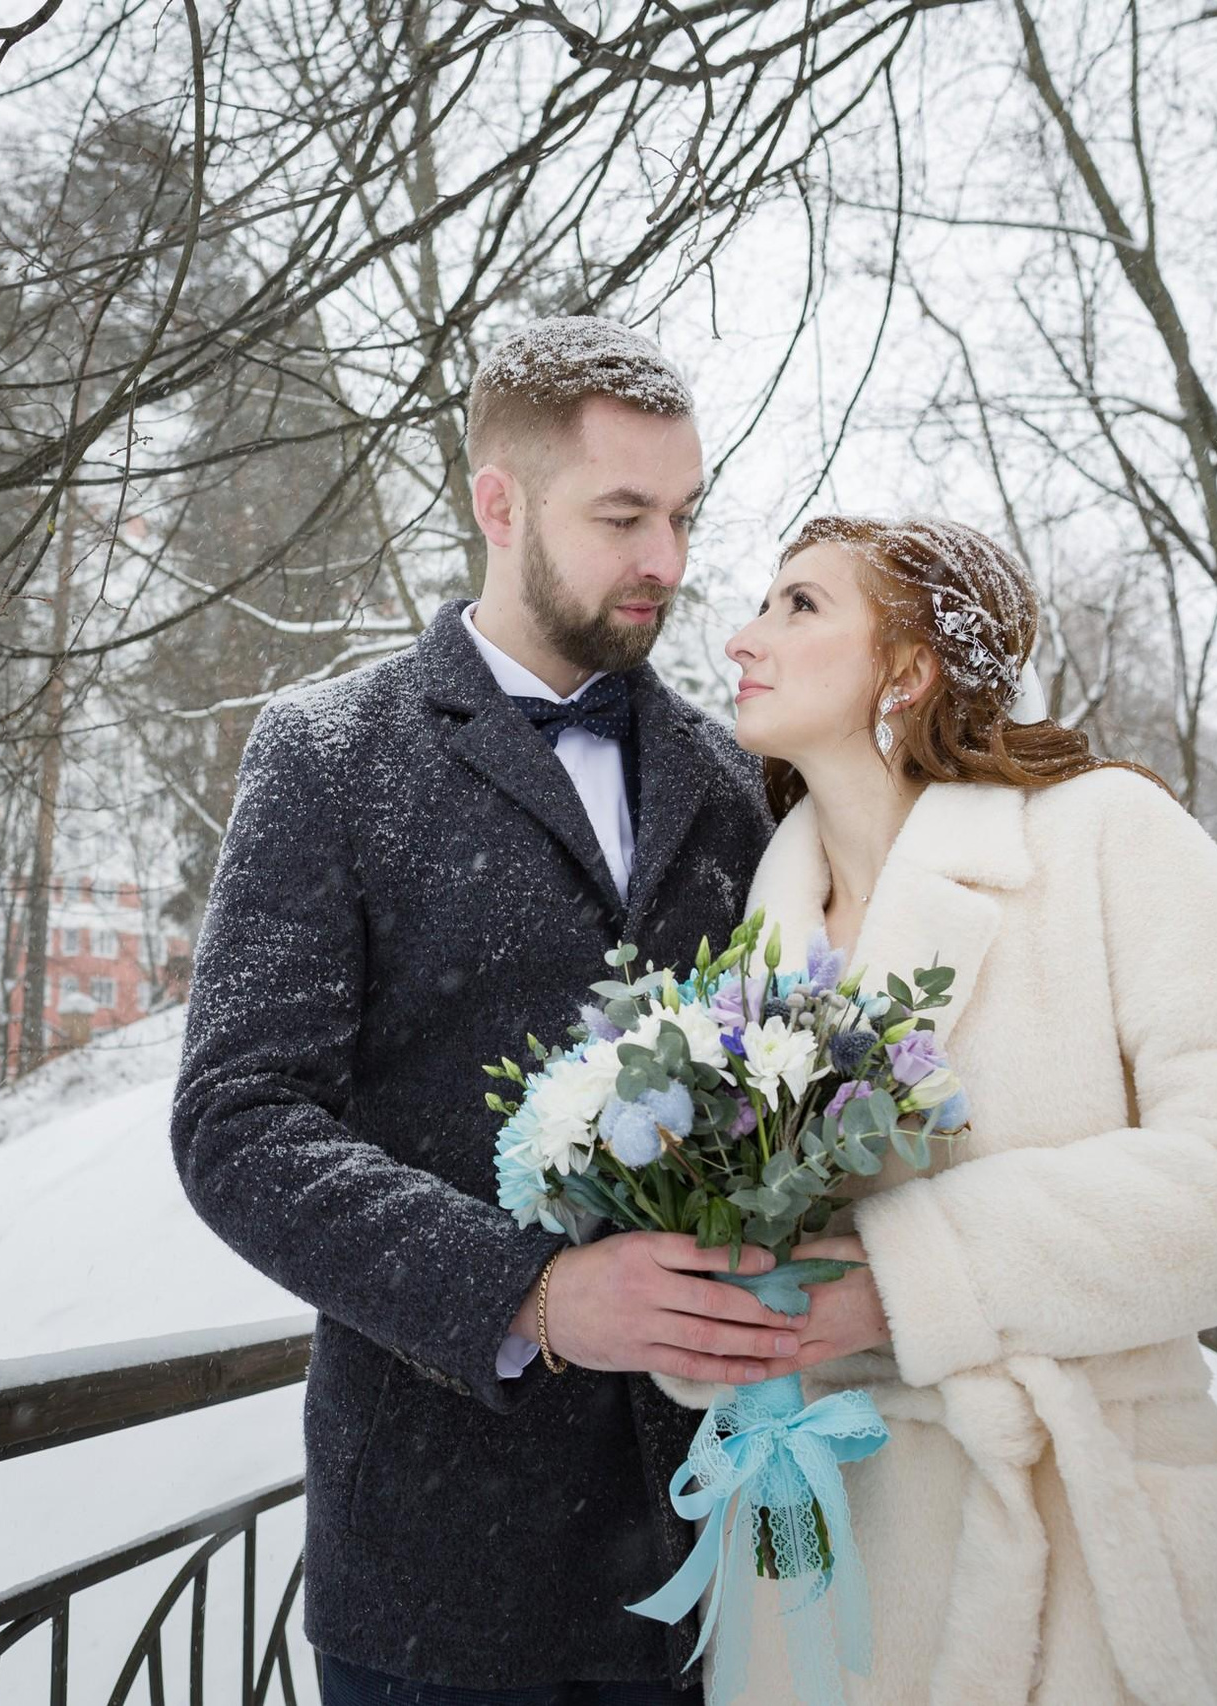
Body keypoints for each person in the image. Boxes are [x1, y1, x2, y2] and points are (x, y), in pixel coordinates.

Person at [169, 317, 786, 1706]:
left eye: (683, 514)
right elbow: (238, 1121)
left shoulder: (736, 780)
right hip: (441, 1593)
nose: (667, 559)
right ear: (498, 505)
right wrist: (533, 1294)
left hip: (722, 1565)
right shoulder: (326, 754)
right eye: (621, 515)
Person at [695, 514, 1217, 1705]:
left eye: (799, 604)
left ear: (908, 668)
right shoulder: (764, 924)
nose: (740, 638)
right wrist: (712, 1310)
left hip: (1085, 1561)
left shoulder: (1099, 831)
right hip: (823, 1575)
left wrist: (909, 1278)